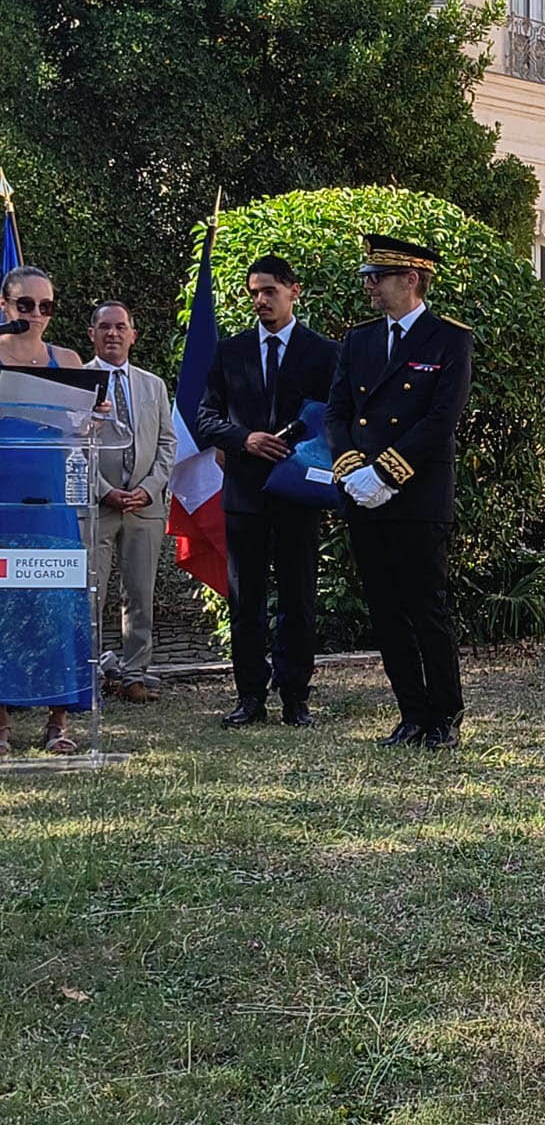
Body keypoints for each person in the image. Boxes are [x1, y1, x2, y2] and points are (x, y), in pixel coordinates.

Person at [326, 235, 473, 749]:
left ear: (411, 279)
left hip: (417, 495)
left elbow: (441, 418)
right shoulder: (359, 340)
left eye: (378, 276)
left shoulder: (448, 338)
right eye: (368, 276)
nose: (369, 285)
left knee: (426, 607)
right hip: (364, 494)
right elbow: (337, 412)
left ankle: (444, 715)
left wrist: (387, 473)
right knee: (386, 611)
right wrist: (352, 469)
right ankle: (411, 713)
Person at [194, 257, 337, 727]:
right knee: (245, 600)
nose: (260, 300)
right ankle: (250, 697)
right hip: (246, 494)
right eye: (254, 292)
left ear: (294, 291)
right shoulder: (230, 351)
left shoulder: (323, 352)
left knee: (298, 598)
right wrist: (245, 439)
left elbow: (336, 418)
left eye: (270, 290)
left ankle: (295, 697)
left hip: (298, 493)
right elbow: (206, 417)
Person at [0, 265, 90, 756]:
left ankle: (58, 722)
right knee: (3, 610)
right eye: (26, 304)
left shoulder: (67, 360)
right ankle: (1, 725)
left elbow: (83, 431)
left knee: (56, 608)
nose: (36, 314)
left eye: (46, 306)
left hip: (52, 501)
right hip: (3, 503)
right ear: (4, 306)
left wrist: (95, 420)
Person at [85, 301, 175, 704]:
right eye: (105, 327)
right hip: (98, 507)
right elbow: (72, 447)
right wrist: (104, 490)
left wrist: (149, 489)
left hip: (144, 507)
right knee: (90, 594)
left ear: (133, 335)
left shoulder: (153, 385)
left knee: (139, 595)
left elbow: (167, 443)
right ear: (92, 334)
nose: (113, 334)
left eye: (121, 327)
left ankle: (134, 675)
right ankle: (85, 676)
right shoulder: (77, 381)